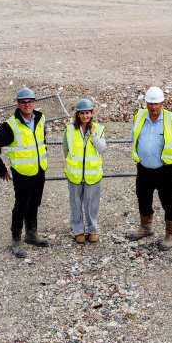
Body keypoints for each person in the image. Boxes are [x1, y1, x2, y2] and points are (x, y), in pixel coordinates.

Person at [0, 87, 50, 259]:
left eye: (30, 101)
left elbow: (42, 139)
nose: (27, 105)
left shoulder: (40, 118)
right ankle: (16, 240)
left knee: (34, 203)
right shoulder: (11, 125)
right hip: (22, 173)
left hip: (39, 169)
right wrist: (1, 169)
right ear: (18, 104)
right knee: (21, 206)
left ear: (34, 102)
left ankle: (31, 235)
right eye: (23, 102)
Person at [127, 86, 172, 249]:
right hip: (144, 167)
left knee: (169, 201)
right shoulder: (139, 117)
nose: (153, 107)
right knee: (143, 196)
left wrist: (169, 155)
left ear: (162, 103)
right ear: (146, 103)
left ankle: (171, 234)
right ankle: (146, 227)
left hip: (166, 169)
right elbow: (135, 137)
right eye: (150, 104)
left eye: (156, 104)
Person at [64, 98, 107, 244]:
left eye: (88, 113)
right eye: (82, 113)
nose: (85, 116)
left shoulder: (99, 129)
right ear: (77, 114)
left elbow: (102, 149)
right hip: (74, 175)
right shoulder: (69, 129)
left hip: (92, 174)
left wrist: (93, 135)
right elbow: (66, 150)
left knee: (92, 205)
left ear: (92, 113)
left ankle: (92, 230)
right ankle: (78, 231)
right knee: (75, 204)